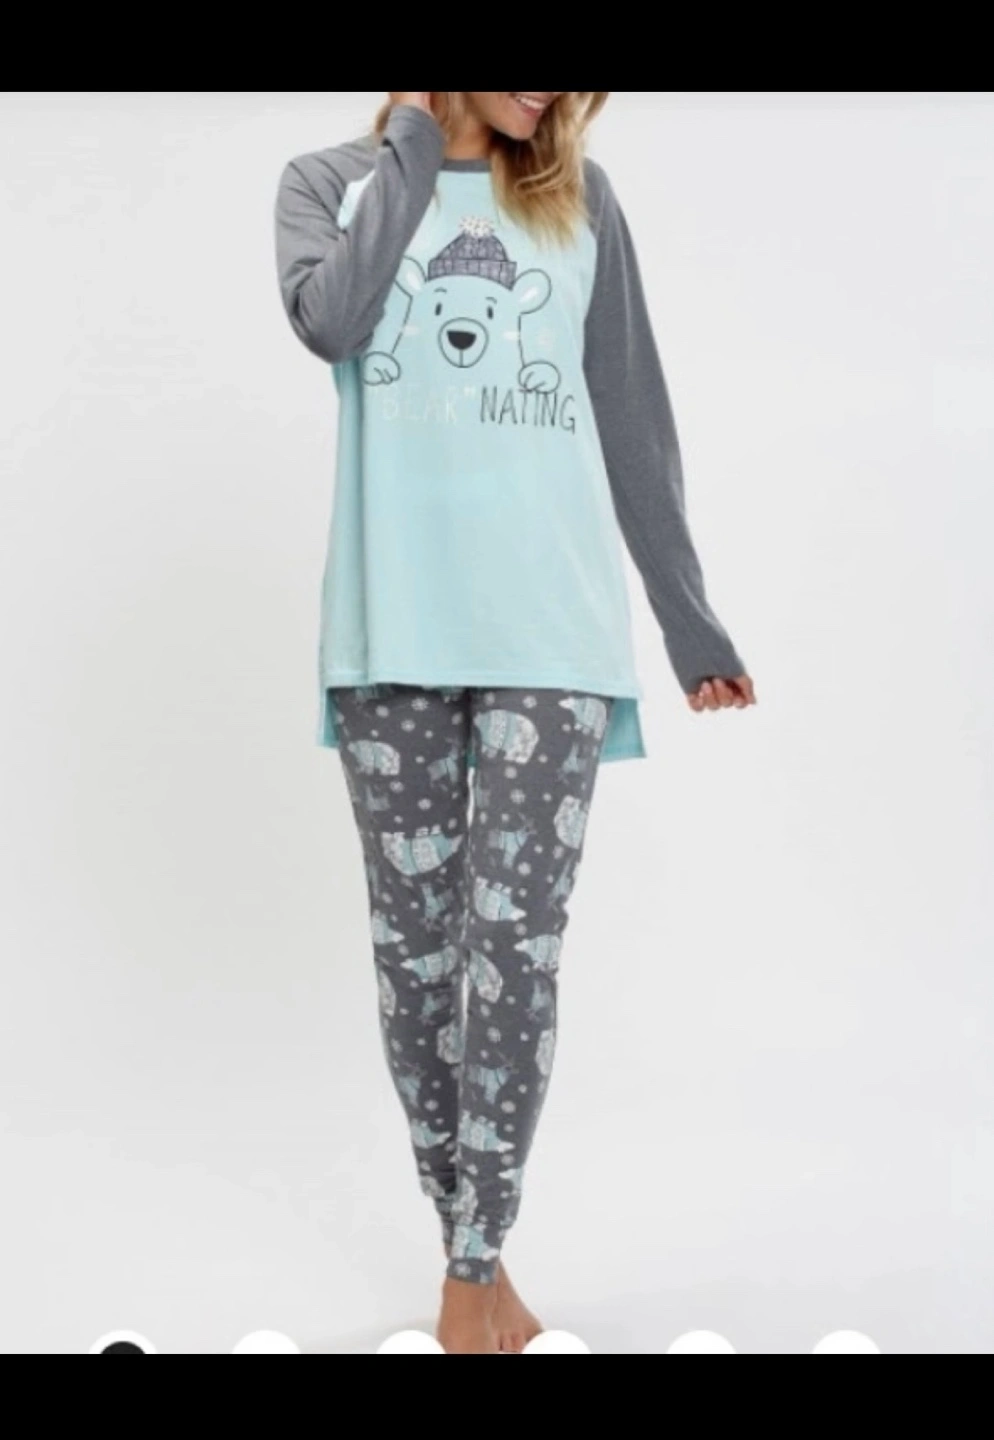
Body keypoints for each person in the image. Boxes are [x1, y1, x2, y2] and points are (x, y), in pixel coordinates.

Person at [274, 91, 755, 1355]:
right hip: (390, 631)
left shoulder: (581, 200)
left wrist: (687, 618)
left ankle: (469, 1270)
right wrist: (412, 148)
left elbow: (632, 419)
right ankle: (478, 1264)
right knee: (418, 966)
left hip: (551, 633)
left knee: (513, 954)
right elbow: (330, 324)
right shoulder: (327, 185)